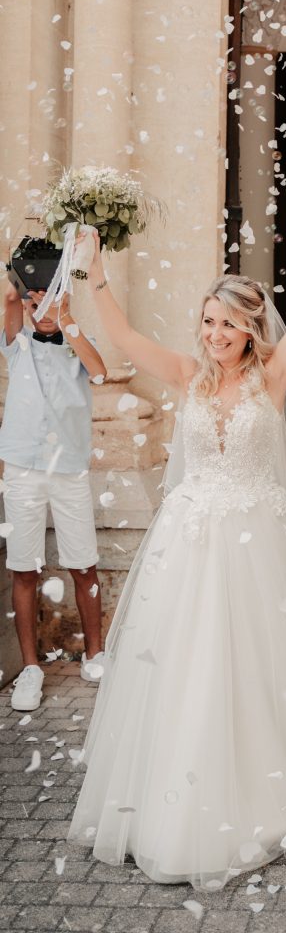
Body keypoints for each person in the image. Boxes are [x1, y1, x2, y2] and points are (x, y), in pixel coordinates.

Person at [67, 197, 286, 889]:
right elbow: (122, 335)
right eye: (208, 321)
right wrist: (94, 269)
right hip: (190, 541)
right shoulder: (187, 376)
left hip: (258, 540)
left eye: (227, 323)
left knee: (261, 662)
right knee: (185, 664)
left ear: (251, 329)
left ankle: (269, 788)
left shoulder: (271, 377)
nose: (215, 333)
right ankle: (176, 797)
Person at [1, 282, 106, 711]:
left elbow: (99, 372)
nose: (41, 309)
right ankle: (31, 668)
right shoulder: (17, 344)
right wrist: (21, 279)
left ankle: (95, 655)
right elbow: (10, 298)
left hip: (69, 469)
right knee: (24, 569)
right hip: (22, 468)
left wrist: (65, 316)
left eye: (51, 300)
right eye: (36, 301)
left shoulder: (78, 340)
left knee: (83, 564)